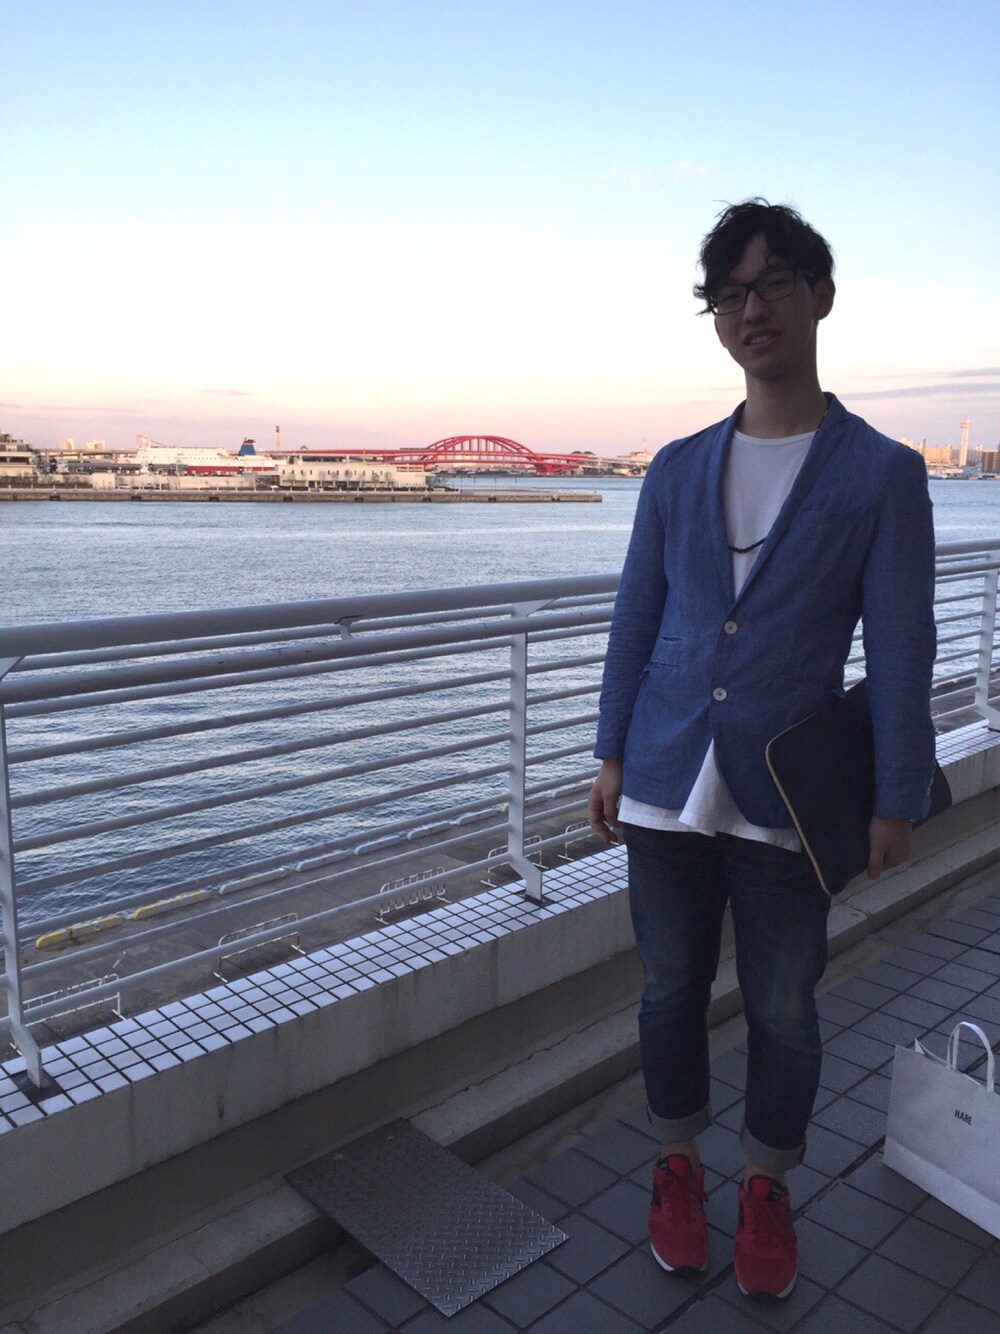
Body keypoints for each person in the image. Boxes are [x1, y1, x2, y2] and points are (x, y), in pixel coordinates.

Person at [587, 199, 936, 1301]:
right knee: (666, 991)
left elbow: (902, 643)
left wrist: (895, 794)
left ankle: (766, 1186)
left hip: (788, 792)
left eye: (774, 282)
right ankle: (676, 1167)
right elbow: (636, 619)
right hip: (663, 776)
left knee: (785, 1004)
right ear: (716, 317)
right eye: (729, 293)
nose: (752, 309)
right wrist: (608, 751)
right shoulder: (675, 466)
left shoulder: (880, 471)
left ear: (820, 296)